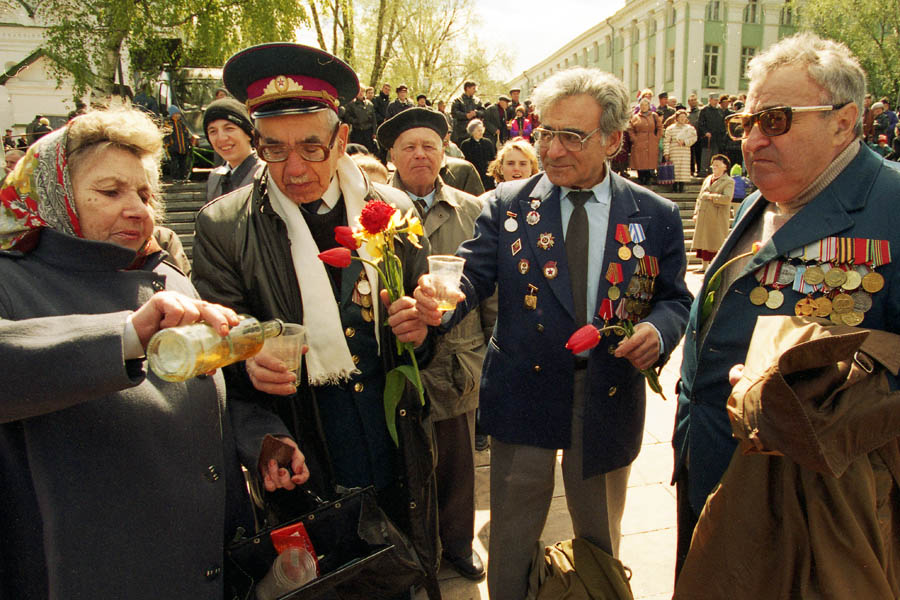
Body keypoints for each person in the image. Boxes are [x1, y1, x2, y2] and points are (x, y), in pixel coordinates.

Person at [415, 67, 692, 600]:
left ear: (613, 140)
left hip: (607, 390)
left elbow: (676, 298)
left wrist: (658, 333)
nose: (553, 149)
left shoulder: (653, 214)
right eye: (546, 133)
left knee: (598, 532)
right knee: (514, 532)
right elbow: (471, 276)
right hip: (525, 389)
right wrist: (442, 299)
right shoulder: (509, 203)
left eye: (572, 136)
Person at [189, 42, 441, 598]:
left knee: (400, 575)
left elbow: (421, 340)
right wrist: (247, 369)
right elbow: (218, 354)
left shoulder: (392, 210)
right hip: (303, 449)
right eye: (273, 150)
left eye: (310, 146)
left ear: (342, 140)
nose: (294, 167)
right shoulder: (224, 226)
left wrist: (422, 332)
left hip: (392, 439)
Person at [0, 106, 273, 599]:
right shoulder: (10, 277)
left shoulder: (166, 275)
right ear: (54, 195)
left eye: (145, 194)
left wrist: (260, 437)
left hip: (204, 564)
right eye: (110, 192)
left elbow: (203, 389)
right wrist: (126, 335)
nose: (139, 210)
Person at [672, 32, 900, 582]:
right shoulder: (758, 200)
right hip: (712, 477)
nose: (753, 141)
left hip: (816, 511)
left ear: (844, 122)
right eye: (745, 123)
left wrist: (829, 401)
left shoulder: (892, 205)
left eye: (775, 120)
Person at [378, 106, 495, 582]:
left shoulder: (474, 208)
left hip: (456, 361)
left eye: (429, 145)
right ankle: (411, 551)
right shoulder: (372, 209)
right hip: (394, 361)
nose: (420, 155)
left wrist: (490, 357)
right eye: (408, 147)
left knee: (457, 466)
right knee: (403, 463)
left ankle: (459, 545)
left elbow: (490, 293)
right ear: (392, 154)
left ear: (445, 150)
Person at [203, 97, 264, 202]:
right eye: (213, 131)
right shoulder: (214, 178)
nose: (221, 138)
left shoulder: (265, 175)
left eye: (229, 128)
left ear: (250, 134)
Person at [690, 154, 734, 273]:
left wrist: (710, 196)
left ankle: (715, 267)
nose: (714, 167)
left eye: (717, 165)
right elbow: (699, 197)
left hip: (717, 216)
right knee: (703, 242)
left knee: (715, 242)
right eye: (713, 165)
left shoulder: (728, 181)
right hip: (704, 214)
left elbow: (727, 198)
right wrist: (696, 213)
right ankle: (704, 266)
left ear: (725, 167)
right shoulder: (708, 179)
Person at [628, 97, 662, 185]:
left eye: (645, 105)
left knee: (650, 160)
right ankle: (641, 177)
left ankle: (648, 178)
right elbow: (630, 129)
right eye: (641, 105)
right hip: (639, 140)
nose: (643, 107)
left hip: (651, 140)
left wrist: (656, 138)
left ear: (649, 106)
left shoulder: (654, 115)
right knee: (640, 160)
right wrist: (634, 139)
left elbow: (659, 127)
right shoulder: (635, 117)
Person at [663, 109, 697, 193]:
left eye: (684, 117)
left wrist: (685, 142)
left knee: (683, 170)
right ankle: (674, 188)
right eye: (680, 117)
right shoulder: (670, 128)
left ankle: (681, 188)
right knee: (675, 169)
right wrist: (666, 153)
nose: (682, 119)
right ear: (676, 118)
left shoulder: (690, 128)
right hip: (674, 150)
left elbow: (694, 138)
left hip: (684, 151)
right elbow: (666, 141)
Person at [460, 119, 497, 192]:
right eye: (478, 130)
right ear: (472, 131)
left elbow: (493, 159)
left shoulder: (488, 142)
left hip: (487, 176)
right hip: (474, 175)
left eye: (481, 130)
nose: (481, 132)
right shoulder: (465, 144)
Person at [696, 93, 726, 174]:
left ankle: (712, 171)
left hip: (717, 138)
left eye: (717, 100)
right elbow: (701, 124)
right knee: (706, 155)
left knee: (715, 155)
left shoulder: (720, 110)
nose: (716, 102)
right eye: (714, 100)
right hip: (707, 138)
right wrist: (705, 132)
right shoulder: (704, 110)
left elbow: (723, 124)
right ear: (710, 100)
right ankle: (703, 171)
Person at [164, 105, 195, 181]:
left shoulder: (182, 124)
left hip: (183, 147)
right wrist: (168, 144)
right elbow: (166, 136)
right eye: (176, 114)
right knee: (174, 163)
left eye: (178, 114)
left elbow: (187, 134)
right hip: (174, 147)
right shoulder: (168, 124)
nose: (178, 115)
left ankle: (183, 177)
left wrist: (189, 143)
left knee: (183, 163)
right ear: (172, 115)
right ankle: (175, 177)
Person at [344, 85, 378, 154]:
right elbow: (347, 117)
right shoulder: (351, 104)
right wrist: (355, 121)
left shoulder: (369, 104)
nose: (361, 93)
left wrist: (374, 132)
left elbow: (374, 120)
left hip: (368, 132)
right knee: (356, 152)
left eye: (362, 91)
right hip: (357, 132)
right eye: (359, 91)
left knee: (368, 152)